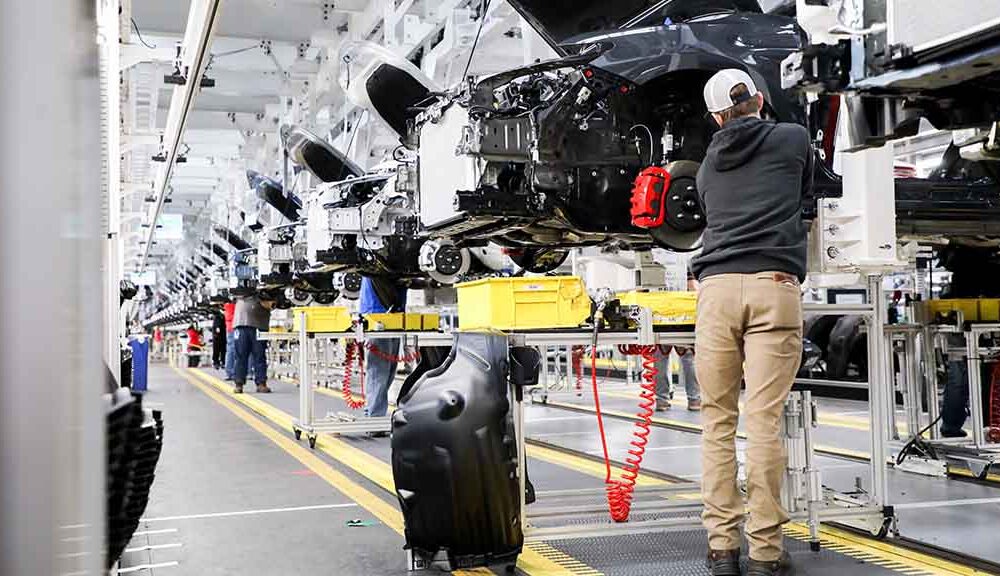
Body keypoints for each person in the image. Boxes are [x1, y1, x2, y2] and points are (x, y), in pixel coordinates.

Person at [691, 69, 813, 576]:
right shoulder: (793, 139)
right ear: (760, 98)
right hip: (773, 288)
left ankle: (723, 548)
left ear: (715, 117)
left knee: (717, 421)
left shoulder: (704, 169)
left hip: (716, 292)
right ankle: (765, 552)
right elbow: (805, 194)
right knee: (763, 421)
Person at [360, 276, 407, 418]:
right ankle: (374, 418)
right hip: (378, 316)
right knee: (379, 371)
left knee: (389, 371)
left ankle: (372, 413)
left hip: (395, 316)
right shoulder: (379, 264)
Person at [656, 269, 702, 412]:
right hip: (683, 314)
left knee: (660, 357)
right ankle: (694, 399)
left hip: (660, 310)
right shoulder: (686, 263)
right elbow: (694, 287)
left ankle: (661, 400)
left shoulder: (655, 264)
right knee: (688, 357)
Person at [231, 294, 272, 394]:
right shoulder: (240, 287)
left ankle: (261, 383)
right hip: (241, 323)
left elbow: (270, 304)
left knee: (259, 355)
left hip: (259, 325)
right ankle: (238, 383)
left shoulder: (267, 290)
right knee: (240, 355)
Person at [223, 300, 236, 380]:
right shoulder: (232, 305)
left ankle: (229, 372)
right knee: (233, 350)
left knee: (230, 350)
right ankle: (231, 372)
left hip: (230, 328)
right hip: (234, 327)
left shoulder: (227, 305)